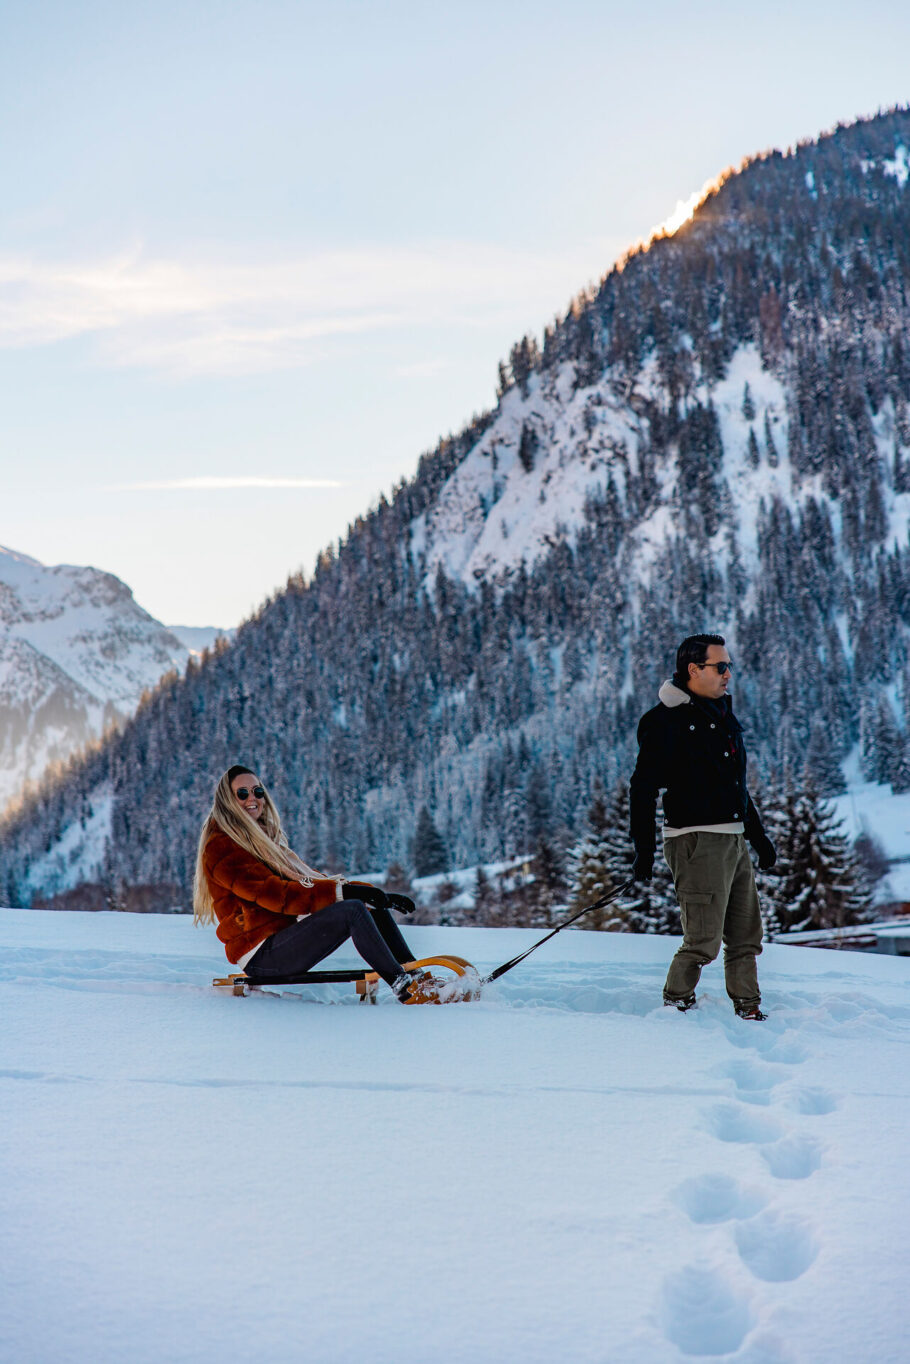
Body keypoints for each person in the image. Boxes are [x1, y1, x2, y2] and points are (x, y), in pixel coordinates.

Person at [193, 764, 442, 1004]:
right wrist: (348, 893)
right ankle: (405, 988)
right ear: (227, 801)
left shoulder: (262, 841)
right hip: (261, 954)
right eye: (242, 793)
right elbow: (278, 895)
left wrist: (375, 895)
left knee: (365, 904)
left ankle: (417, 978)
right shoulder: (223, 846)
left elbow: (309, 884)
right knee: (352, 911)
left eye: (258, 791)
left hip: (282, 937)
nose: (253, 798)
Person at [629, 635, 776, 1020]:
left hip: (733, 839)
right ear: (693, 670)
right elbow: (643, 789)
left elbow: (736, 786)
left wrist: (758, 838)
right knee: (703, 941)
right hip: (695, 841)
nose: (728, 674)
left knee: (746, 937)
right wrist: (644, 851)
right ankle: (676, 1007)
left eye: (729, 666)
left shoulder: (722, 716)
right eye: (720, 667)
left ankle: (749, 1010)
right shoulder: (664, 721)